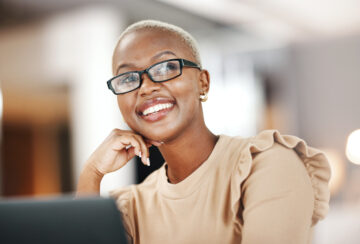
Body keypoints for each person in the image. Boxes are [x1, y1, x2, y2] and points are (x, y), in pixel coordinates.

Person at [76, 20, 331, 244]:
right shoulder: (130, 208)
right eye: (129, 79)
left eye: (165, 68)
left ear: (203, 82)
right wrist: (92, 172)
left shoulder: (266, 164)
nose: (146, 87)